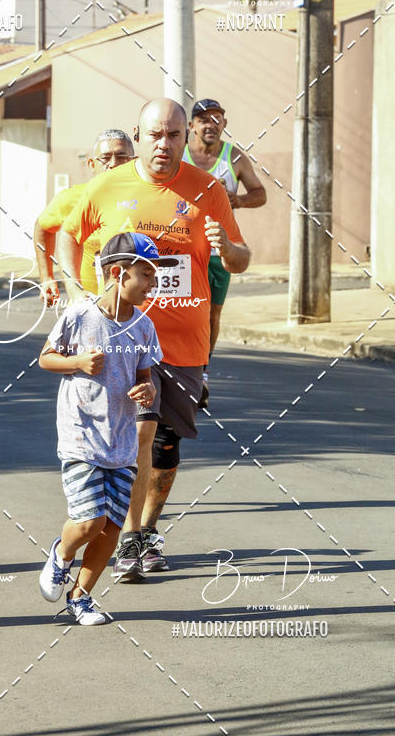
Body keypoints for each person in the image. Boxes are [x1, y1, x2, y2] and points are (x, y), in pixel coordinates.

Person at [58, 98, 250, 580]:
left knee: (166, 445)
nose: (164, 145)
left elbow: (241, 258)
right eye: (155, 135)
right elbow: (67, 234)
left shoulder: (208, 188)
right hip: (124, 339)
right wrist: (76, 290)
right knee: (138, 434)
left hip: (185, 340)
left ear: (186, 139)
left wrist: (227, 248)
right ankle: (127, 538)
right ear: (139, 137)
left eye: (173, 136)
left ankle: (145, 530)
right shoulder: (107, 186)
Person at [38, 232, 171, 623]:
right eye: (145, 274)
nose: (152, 283)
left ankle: (80, 599)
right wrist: (77, 363)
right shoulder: (79, 316)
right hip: (81, 435)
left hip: (122, 439)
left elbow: (146, 375)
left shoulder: (144, 327)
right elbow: (46, 359)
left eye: (154, 275)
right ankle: (62, 555)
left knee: (112, 527)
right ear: (118, 272)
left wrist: (146, 390)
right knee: (89, 521)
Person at [184, 99, 266, 407]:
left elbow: (260, 194)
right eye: (203, 119)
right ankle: (167, 366)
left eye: (216, 118)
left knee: (211, 312)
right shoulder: (179, 155)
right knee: (179, 305)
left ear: (224, 124)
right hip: (183, 247)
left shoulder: (234, 157)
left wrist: (238, 201)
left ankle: (201, 371)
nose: (210, 124)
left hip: (220, 247)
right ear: (192, 126)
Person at [34, 129, 134, 306]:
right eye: (105, 158)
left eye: (121, 157)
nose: (113, 164)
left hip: (135, 308)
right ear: (91, 164)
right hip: (87, 306)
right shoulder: (71, 199)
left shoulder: (146, 199)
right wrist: (47, 277)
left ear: (133, 162)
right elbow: (42, 228)